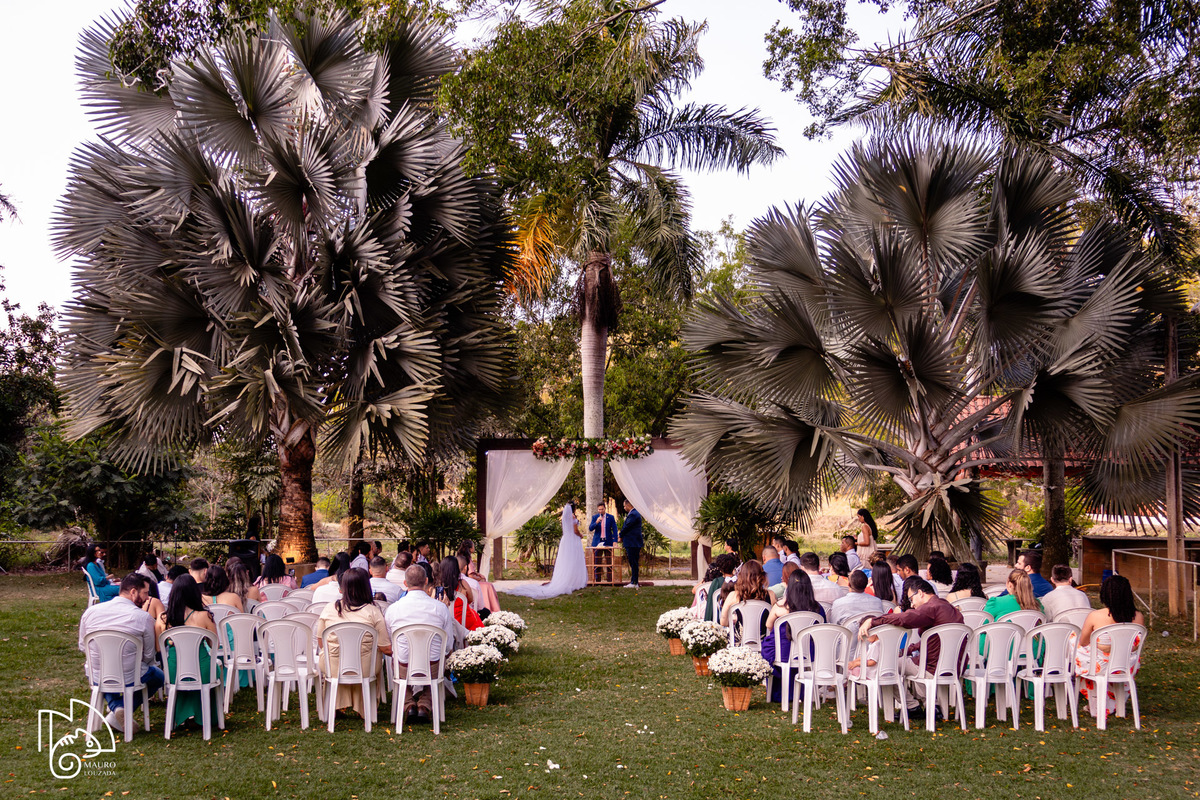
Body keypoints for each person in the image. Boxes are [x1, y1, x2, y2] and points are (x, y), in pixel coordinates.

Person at [858, 578, 964, 716]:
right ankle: (932, 705)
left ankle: (911, 706)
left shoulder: (930, 607)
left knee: (886, 665)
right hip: (955, 666)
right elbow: (937, 640)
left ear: (920, 593)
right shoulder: (948, 607)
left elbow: (904, 618)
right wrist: (907, 650)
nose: (912, 605)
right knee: (913, 663)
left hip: (932, 667)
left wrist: (872, 621)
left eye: (911, 599)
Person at [78, 573, 164, 735]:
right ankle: (120, 707)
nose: (147, 598)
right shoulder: (143, 618)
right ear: (133, 592)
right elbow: (149, 655)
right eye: (145, 593)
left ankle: (116, 709)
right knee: (158, 677)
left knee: (106, 675)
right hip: (130, 675)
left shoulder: (90, 612)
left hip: (97, 673)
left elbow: (83, 646)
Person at [315, 568, 391, 720]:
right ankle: (366, 708)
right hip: (365, 668)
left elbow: (321, 641)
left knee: (333, 659)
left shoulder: (329, 609)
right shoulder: (373, 612)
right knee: (373, 656)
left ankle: (333, 706)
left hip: (333, 666)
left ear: (343, 588)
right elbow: (385, 648)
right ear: (366, 587)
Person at [384, 565, 455, 723]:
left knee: (397, 661)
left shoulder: (393, 610)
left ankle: (409, 705)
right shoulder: (440, 608)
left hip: (403, 667)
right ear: (426, 581)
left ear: (405, 583)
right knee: (439, 662)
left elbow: (391, 642)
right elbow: (448, 645)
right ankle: (424, 705)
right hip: (433, 666)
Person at [154, 574, 219, 730]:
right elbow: (214, 643)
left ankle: (183, 716)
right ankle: (204, 716)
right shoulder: (205, 616)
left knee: (182, 678)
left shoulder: (163, 618)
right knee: (215, 669)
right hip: (203, 669)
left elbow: (158, 648)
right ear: (195, 593)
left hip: (174, 671)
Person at [1075, 575, 1145, 717]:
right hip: (1125, 665)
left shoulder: (1095, 616)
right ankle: (1111, 703)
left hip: (1100, 666)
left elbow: (1083, 642)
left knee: (1073, 643)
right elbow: (1136, 644)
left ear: (1105, 594)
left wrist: (1101, 646)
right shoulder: (1138, 616)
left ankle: (1097, 704)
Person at [761, 572, 826, 704]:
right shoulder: (817, 609)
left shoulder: (780, 606)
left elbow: (768, 625)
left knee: (768, 646)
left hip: (783, 653)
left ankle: (779, 691)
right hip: (808, 654)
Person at [506, 501, 589, 599]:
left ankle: (566, 580)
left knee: (566, 561)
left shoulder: (565, 517)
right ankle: (574, 581)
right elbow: (575, 530)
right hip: (573, 540)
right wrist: (581, 535)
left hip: (565, 540)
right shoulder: (573, 517)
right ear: (574, 508)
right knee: (574, 560)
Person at [719, 560, 773, 628]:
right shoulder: (771, 595)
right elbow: (774, 621)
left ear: (741, 576)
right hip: (765, 634)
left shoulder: (734, 596)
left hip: (741, 634)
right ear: (762, 577)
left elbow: (723, 622)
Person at [438, 556, 483, 631]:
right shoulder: (462, 584)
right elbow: (470, 599)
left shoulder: (439, 587)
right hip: (464, 621)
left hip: (445, 622)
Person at [457, 539, 501, 612]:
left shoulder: (462, 557)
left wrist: (478, 574)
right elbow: (470, 575)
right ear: (470, 548)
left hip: (467, 580)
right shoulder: (467, 559)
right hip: (469, 581)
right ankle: (491, 608)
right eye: (473, 546)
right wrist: (479, 578)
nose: (474, 548)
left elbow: (471, 572)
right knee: (488, 586)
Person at [702, 553, 740, 621]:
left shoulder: (717, 582)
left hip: (718, 620)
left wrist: (707, 621)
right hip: (737, 619)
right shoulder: (739, 582)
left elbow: (710, 604)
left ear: (720, 570)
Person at [618, 499, 644, 588]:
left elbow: (627, 526)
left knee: (633, 563)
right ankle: (634, 581)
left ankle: (634, 582)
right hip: (633, 542)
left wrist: (620, 535)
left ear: (629, 505)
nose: (624, 508)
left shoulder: (633, 514)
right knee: (633, 563)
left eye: (624, 506)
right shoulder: (635, 513)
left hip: (632, 542)